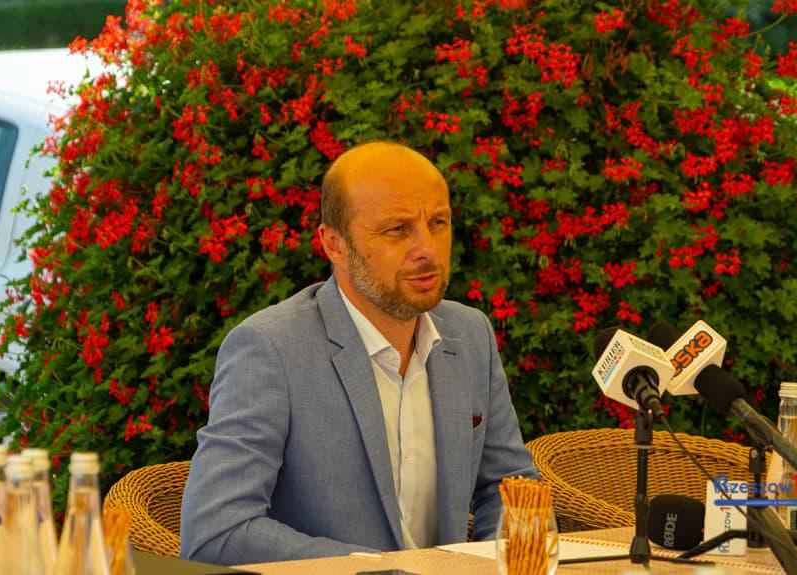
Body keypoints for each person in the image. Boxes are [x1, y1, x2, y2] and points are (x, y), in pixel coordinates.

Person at [180, 141, 539, 565]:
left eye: (438, 223)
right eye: (397, 230)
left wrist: (502, 561)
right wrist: (386, 571)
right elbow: (216, 532)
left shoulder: (469, 334)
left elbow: (512, 488)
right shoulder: (271, 349)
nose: (427, 248)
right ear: (335, 244)